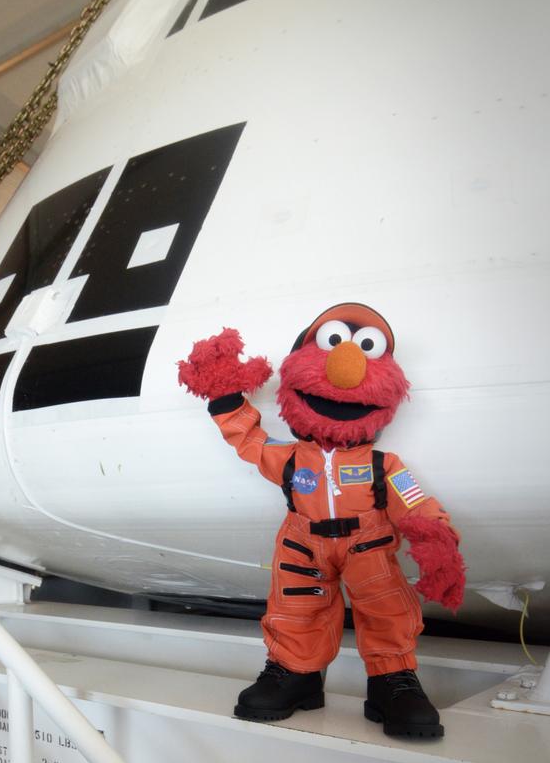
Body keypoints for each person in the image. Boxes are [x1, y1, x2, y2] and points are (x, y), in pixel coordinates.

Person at [177, 303, 465, 740]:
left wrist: (435, 533)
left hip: (368, 546)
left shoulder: (383, 465)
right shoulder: (290, 459)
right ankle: (296, 674)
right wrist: (225, 398)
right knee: (295, 609)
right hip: (302, 546)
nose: (345, 369)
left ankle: (392, 681)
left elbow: (413, 499)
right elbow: (250, 440)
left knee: (386, 608)